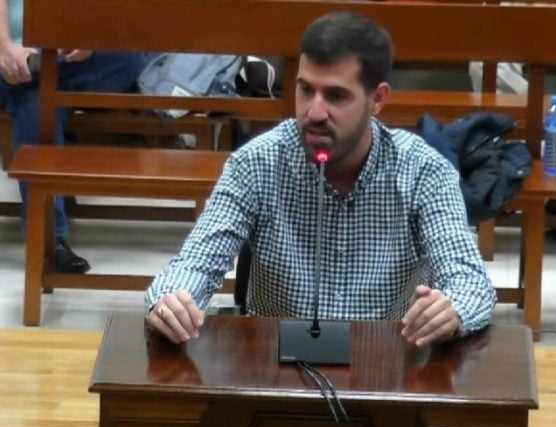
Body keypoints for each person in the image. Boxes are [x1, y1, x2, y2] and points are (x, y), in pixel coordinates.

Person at [145, 12, 496, 347]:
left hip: (387, 371)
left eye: (335, 95)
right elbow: (194, 264)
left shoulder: (424, 172)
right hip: (275, 371)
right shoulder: (255, 164)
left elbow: (470, 283)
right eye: (305, 90)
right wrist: (172, 300)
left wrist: (452, 310)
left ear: (377, 99)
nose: (314, 112)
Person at [0, 0, 145, 273]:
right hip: (8, 53)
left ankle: (41, 71)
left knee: (129, 57)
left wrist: (88, 38)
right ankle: (48, 239)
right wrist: (5, 49)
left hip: (57, 58)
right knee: (38, 105)